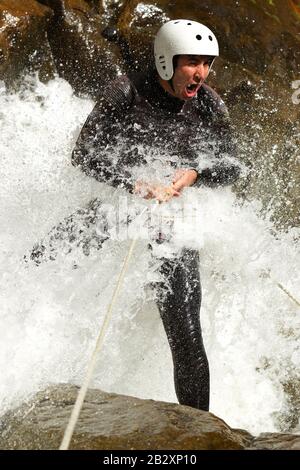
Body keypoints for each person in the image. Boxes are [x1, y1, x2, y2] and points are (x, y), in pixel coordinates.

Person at [64, 20, 241, 411]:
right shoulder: (124, 92)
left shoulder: (209, 103)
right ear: (166, 61)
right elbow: (84, 155)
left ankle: (200, 426)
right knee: (53, 254)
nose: (201, 73)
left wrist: (196, 173)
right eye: (192, 62)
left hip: (175, 213)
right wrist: (136, 183)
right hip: (123, 201)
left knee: (185, 320)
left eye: (207, 63)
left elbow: (234, 166)